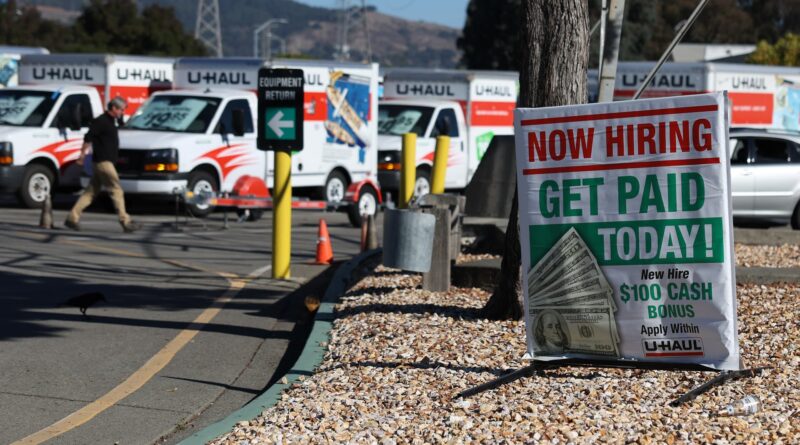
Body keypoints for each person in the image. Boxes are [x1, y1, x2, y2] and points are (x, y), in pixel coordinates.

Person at [64, 97, 140, 233]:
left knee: (90, 192)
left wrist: (121, 120)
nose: (122, 112)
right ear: (114, 108)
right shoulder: (101, 121)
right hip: (103, 162)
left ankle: (72, 218)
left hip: (104, 162)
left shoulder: (111, 121)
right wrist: (82, 155)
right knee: (116, 190)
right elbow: (88, 137)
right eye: (121, 110)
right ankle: (125, 221)